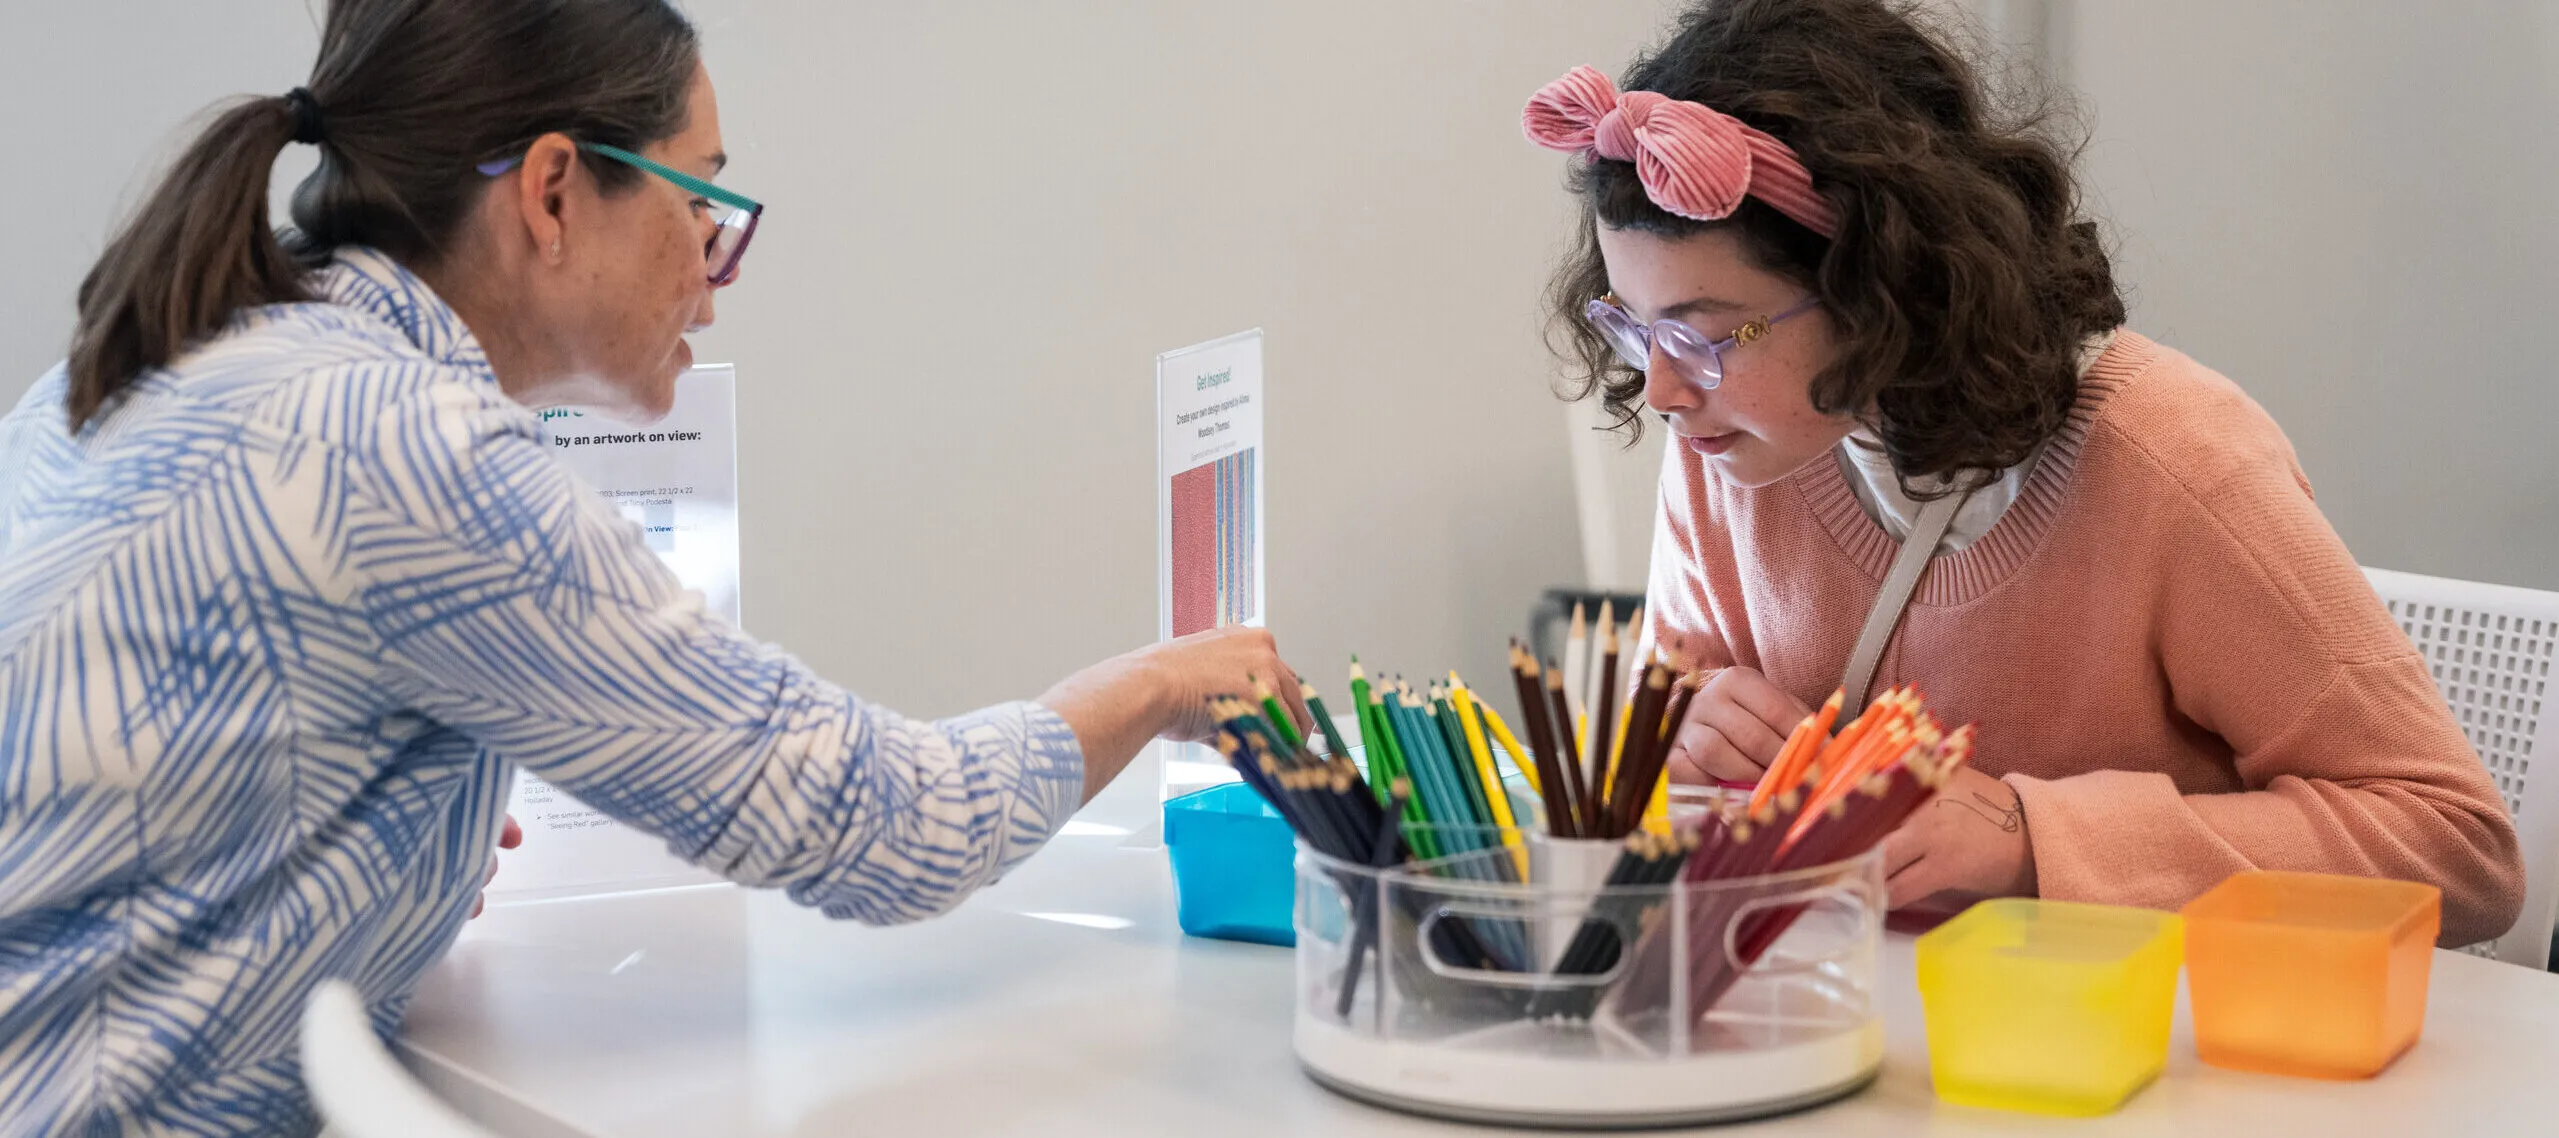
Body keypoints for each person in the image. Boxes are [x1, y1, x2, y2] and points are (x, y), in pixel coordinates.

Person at [0, 1, 1303, 1131]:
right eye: (701, 207)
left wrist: (403, 837)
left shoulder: (167, 355)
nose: (712, 282)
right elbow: (884, 822)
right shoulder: (406, 447)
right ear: (555, 192)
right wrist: (1158, 680)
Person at [1525, 0, 2522, 943]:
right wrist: (1684, 727)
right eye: (1630, 326)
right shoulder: (1732, 441)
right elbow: (1665, 708)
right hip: (1862, 1036)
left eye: (1702, 336)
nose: (1659, 389)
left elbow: (2459, 847)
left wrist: (2029, 838)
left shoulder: (2175, 463)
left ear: (1879, 284)